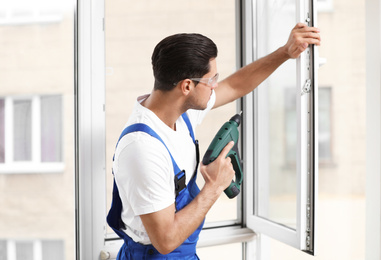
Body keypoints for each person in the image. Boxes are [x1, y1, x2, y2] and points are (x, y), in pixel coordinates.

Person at [107, 23, 321, 259]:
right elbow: (165, 241)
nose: (216, 85)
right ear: (187, 86)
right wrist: (215, 185)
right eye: (211, 80)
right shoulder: (142, 149)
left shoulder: (179, 111)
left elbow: (236, 85)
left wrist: (285, 52)